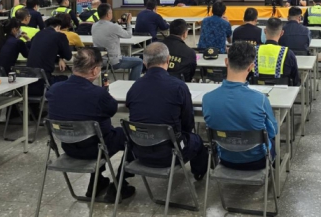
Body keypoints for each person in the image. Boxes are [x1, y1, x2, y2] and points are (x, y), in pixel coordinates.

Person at [46, 48, 135, 202]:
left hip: (68, 146)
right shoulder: (98, 94)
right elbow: (112, 109)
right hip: (97, 148)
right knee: (130, 134)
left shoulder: (54, 90)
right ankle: (120, 184)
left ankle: (97, 181)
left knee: (97, 133)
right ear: (94, 70)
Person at [127, 42, 208, 179]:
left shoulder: (134, 87)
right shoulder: (178, 87)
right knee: (196, 140)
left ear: (144, 63)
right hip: (171, 154)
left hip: (139, 151)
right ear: (168, 60)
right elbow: (188, 122)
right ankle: (198, 173)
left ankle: (121, 181)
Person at [202, 41, 278, 170]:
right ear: (251, 67)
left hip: (224, 159)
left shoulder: (207, 99)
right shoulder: (260, 99)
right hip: (258, 160)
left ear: (226, 62)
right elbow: (273, 131)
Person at [91, 3, 142, 80]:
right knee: (139, 62)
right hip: (113, 61)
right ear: (108, 14)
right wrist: (128, 22)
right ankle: (132, 84)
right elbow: (129, 35)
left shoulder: (94, 26)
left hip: (99, 60)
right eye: (111, 12)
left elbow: (107, 30)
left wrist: (118, 24)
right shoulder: (114, 27)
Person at [26, 16, 72, 95]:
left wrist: (59, 58)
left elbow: (44, 51)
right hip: (43, 83)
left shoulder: (38, 34)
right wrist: (61, 57)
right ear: (58, 27)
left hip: (29, 83)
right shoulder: (59, 36)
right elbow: (68, 56)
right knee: (67, 78)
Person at [254, 18, 300, 86]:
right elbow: (296, 80)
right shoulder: (288, 53)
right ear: (282, 33)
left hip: (256, 90)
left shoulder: (253, 51)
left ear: (265, 31)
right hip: (282, 91)